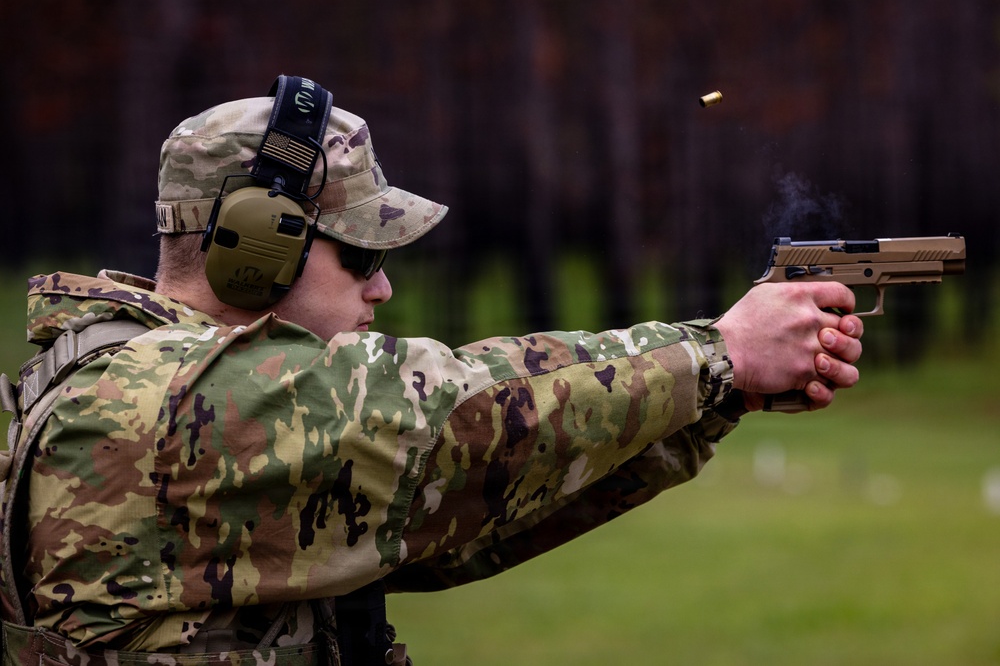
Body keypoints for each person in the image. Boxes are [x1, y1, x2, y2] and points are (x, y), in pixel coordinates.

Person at [0, 76, 863, 665]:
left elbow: (462, 517)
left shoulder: (137, 381)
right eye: (362, 252)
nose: (382, 284)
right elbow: (446, 425)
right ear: (256, 247)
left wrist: (720, 394)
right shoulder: (160, 400)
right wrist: (718, 351)